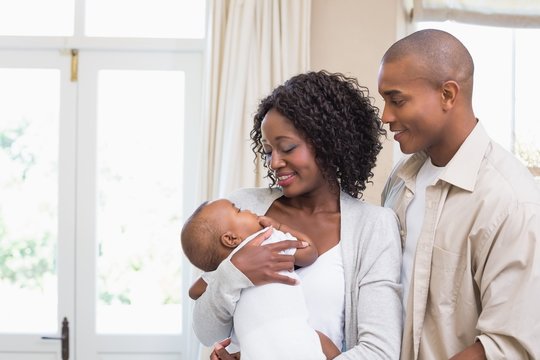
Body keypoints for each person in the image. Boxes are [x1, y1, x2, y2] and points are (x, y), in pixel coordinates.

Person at [191, 70, 403, 360]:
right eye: (267, 151)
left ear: (329, 143)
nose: (275, 162)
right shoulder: (241, 208)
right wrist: (234, 272)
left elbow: (380, 352)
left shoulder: (373, 227)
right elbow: (206, 331)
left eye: (287, 147)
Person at [378, 29, 540, 360]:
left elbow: (509, 346)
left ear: (448, 95)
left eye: (396, 100)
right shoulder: (401, 177)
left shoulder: (510, 202)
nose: (386, 116)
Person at [180, 198, 341, 359]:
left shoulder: (224, 269)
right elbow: (309, 252)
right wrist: (279, 227)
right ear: (230, 239)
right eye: (238, 210)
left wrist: (225, 274)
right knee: (322, 343)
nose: (247, 210)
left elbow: (193, 292)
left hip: (255, 348)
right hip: (295, 334)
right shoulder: (268, 239)